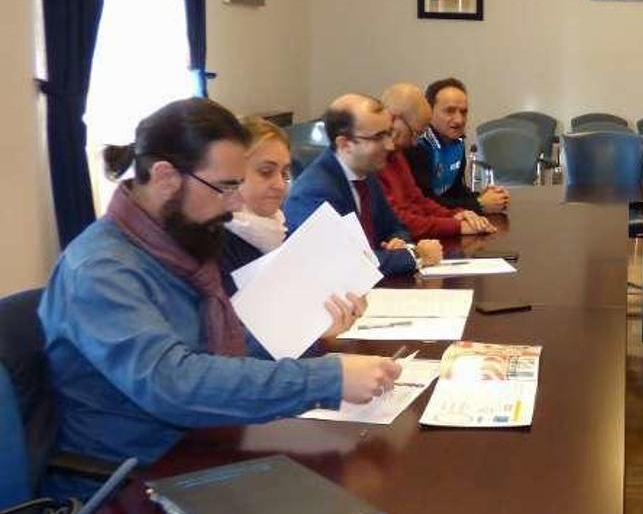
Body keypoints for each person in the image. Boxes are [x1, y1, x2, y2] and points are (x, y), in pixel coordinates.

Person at [39, 98, 403, 498]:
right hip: (130, 478)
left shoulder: (176, 242)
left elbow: (216, 352)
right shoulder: (100, 270)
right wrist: (327, 377)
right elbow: (176, 383)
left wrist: (307, 328)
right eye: (225, 187)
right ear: (165, 177)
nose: (234, 203)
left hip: (197, 446)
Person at [219, 116, 365, 341]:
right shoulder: (217, 244)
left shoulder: (276, 230)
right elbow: (232, 344)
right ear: (232, 173)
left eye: (284, 173)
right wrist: (306, 333)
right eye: (266, 172)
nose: (280, 185)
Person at [284, 94, 443, 275]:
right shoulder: (314, 193)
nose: (390, 145)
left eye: (389, 133)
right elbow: (346, 264)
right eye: (379, 137)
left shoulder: (366, 174)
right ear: (345, 144)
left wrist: (399, 243)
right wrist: (415, 255)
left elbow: (396, 226)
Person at [377, 83, 495, 239]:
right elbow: (397, 220)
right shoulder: (376, 159)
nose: (413, 142)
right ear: (393, 119)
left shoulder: (396, 153)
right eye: (414, 133)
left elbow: (417, 200)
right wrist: (457, 225)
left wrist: (457, 215)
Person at [403, 77, 509, 214]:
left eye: (464, 112)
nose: (459, 120)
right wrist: (479, 204)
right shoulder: (418, 146)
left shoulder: (457, 142)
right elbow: (424, 203)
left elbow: (454, 193)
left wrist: (484, 197)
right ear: (429, 111)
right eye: (450, 111)